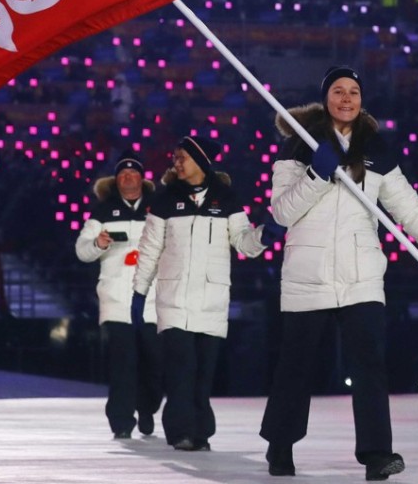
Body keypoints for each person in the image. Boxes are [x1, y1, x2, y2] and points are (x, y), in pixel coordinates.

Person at [259, 66, 418, 481]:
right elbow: (282, 212)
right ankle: (281, 446)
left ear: (362, 100)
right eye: (338, 91)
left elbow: (410, 210)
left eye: (354, 92)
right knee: (296, 367)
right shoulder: (297, 146)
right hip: (307, 274)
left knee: (369, 365)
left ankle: (377, 454)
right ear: (326, 97)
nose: (346, 99)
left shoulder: (378, 149)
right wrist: (317, 173)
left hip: (361, 274)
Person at [131, 136, 278, 452]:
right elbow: (150, 248)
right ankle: (180, 431)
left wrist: (266, 235)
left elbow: (243, 243)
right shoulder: (165, 198)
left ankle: (200, 431)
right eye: (175, 157)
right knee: (181, 368)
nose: (176, 163)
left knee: (203, 372)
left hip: (211, 301)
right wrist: (139, 292)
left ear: (200, 161)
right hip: (174, 300)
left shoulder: (226, 198)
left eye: (182, 157)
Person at [75, 152, 163, 439]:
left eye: (133, 173)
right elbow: (82, 250)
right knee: (122, 366)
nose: (127, 177)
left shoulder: (158, 210)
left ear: (142, 179)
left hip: (151, 302)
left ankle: (148, 407)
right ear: (116, 181)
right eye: (122, 174)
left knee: (154, 363)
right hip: (117, 302)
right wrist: (98, 244)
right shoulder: (102, 212)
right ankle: (121, 422)